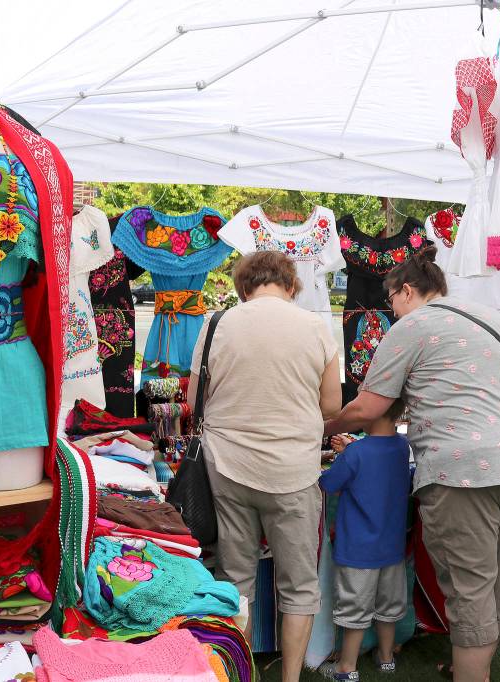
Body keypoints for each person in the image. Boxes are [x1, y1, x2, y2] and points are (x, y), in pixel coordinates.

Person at [324, 246, 500, 682]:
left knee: (470, 590)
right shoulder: (490, 317)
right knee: (496, 586)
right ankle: (472, 664)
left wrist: (325, 425)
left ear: (406, 291)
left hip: (461, 467)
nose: (391, 309)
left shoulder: (412, 326)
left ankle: (473, 674)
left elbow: (370, 406)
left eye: (391, 300)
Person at [187, 250, 342, 682]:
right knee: (299, 585)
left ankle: (242, 673)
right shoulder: (315, 327)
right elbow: (332, 405)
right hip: (294, 470)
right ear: (291, 285)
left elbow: (191, 400)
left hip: (228, 466)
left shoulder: (217, 323)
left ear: (243, 287)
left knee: (235, 581)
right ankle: (290, 678)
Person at [318, 399, 411, 681]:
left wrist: (346, 455)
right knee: (388, 605)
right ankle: (386, 658)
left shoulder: (356, 452)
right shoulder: (401, 447)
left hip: (358, 548)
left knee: (354, 607)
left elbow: (329, 483)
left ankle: (347, 667)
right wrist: (350, 451)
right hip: (392, 546)